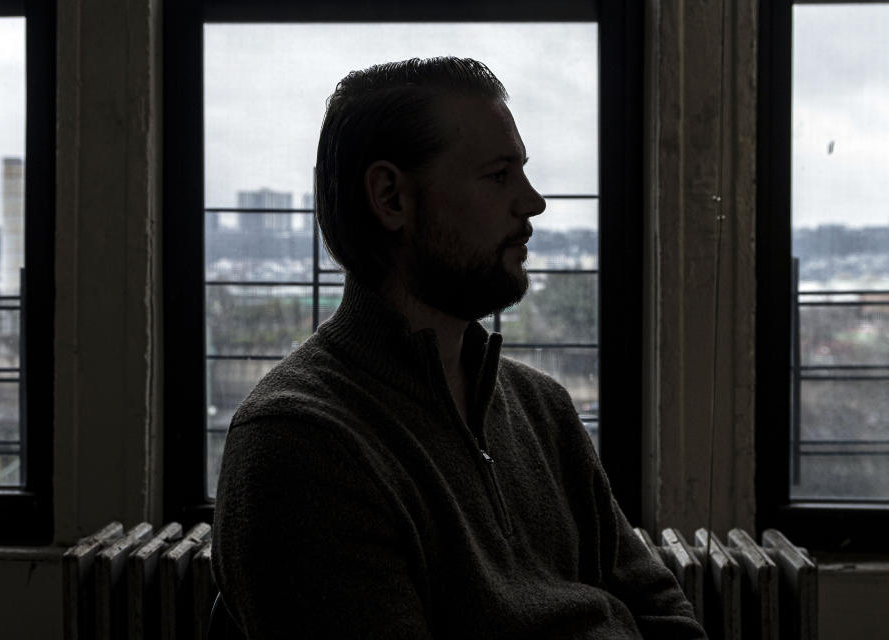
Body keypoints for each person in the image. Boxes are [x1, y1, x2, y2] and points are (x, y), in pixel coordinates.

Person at [212, 56, 707, 639]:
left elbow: (662, 610)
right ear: (390, 198)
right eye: (499, 175)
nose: (533, 202)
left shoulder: (541, 407)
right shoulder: (301, 441)